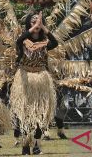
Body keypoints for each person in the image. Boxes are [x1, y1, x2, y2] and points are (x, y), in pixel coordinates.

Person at [10, 11, 58, 155]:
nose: (36, 24)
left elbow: (55, 42)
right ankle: (25, 145)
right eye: (33, 21)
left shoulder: (45, 43)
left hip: (41, 79)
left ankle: (36, 145)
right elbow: (18, 40)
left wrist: (43, 27)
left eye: (39, 21)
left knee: (40, 114)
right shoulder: (23, 41)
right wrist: (33, 27)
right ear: (28, 25)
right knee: (25, 114)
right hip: (25, 79)